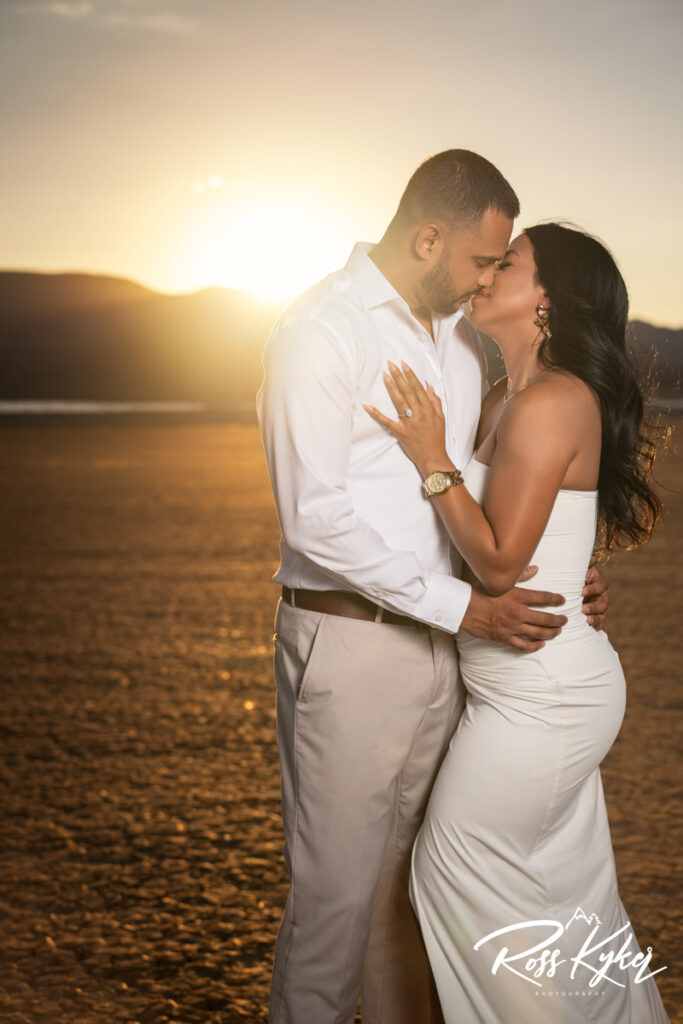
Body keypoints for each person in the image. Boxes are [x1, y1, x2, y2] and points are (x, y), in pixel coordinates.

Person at [255, 152, 609, 1024]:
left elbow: (498, 486)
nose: (489, 278)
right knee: (335, 904)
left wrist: (570, 571)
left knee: (404, 896)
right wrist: (469, 606)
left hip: (452, 651)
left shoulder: (456, 340)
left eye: (502, 267)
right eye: (482, 262)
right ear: (425, 238)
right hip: (353, 645)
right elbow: (315, 520)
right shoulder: (321, 333)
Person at [364, 222, 670, 1022]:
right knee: (565, 904)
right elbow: (523, 533)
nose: (491, 272)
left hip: (545, 694)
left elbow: (497, 564)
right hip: (522, 683)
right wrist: (579, 574)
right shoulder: (506, 396)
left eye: (510, 262)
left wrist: (431, 457)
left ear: (547, 299)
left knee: (452, 873)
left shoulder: (552, 400)